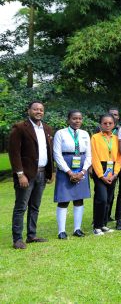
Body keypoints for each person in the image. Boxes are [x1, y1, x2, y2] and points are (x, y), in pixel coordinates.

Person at [9, 101, 54, 249]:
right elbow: (14, 153)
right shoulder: (20, 128)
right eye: (35, 109)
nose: (38, 112)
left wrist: (51, 171)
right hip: (26, 175)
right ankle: (17, 239)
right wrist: (20, 174)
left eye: (41, 109)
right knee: (21, 207)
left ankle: (31, 235)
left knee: (35, 206)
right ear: (29, 110)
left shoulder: (47, 129)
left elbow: (49, 151)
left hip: (41, 173)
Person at [53, 110, 92, 239]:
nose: (77, 121)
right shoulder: (61, 133)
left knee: (79, 198)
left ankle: (77, 229)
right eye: (74, 118)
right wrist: (69, 172)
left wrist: (83, 171)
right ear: (68, 119)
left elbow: (89, 155)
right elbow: (57, 155)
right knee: (63, 199)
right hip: (65, 166)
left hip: (81, 166)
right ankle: (61, 231)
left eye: (80, 118)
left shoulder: (85, 134)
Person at [91, 114, 121, 236]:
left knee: (109, 198)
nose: (108, 125)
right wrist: (100, 175)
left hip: (113, 169)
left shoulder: (116, 138)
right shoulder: (95, 137)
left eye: (110, 123)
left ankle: (104, 224)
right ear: (100, 124)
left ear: (114, 124)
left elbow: (119, 157)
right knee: (101, 199)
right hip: (100, 170)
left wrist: (115, 173)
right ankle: (97, 226)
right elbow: (94, 157)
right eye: (105, 123)